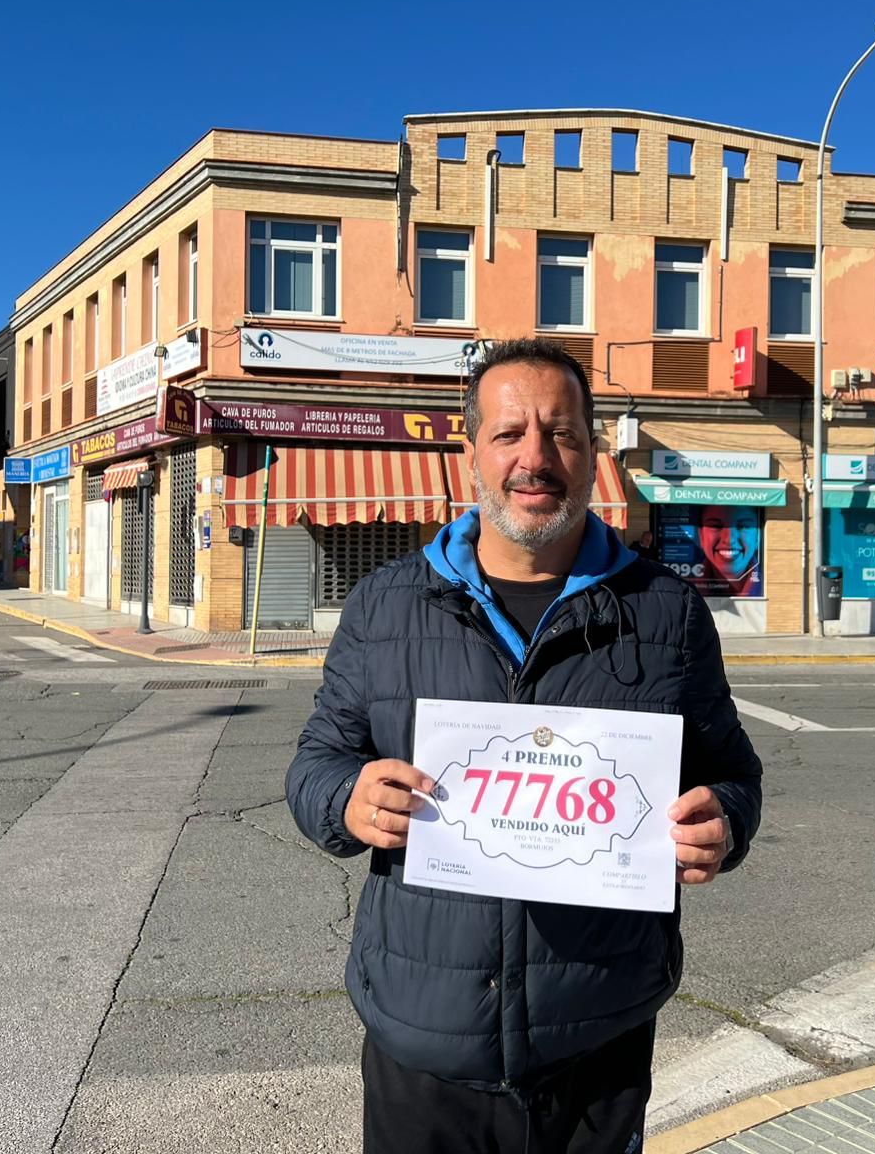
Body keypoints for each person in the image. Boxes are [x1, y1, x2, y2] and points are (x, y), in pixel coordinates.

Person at [287, 337, 763, 1154]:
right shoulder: (384, 605)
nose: (535, 458)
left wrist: (724, 820)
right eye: (510, 433)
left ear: (591, 453)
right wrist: (346, 799)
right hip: (422, 1047)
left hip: (596, 1046)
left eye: (563, 434)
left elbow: (732, 771)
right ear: (469, 449)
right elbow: (315, 764)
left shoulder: (666, 610)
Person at [694, 504, 762, 597]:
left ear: (757, 537)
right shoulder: (685, 589)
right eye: (716, 526)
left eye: (743, 526)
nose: (729, 540)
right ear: (701, 536)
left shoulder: (771, 587)